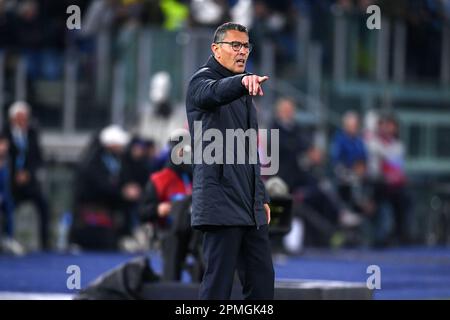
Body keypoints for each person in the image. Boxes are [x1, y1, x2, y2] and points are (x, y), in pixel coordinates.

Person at [185, 22, 274, 300]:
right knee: (217, 286)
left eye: (246, 46)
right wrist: (241, 82)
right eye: (235, 45)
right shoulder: (201, 82)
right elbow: (214, 92)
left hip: (249, 205)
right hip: (220, 203)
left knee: (262, 282)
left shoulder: (244, 88)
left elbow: (249, 154)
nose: (242, 51)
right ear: (216, 49)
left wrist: (261, 196)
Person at [138, 129, 202, 282]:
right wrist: (158, 209)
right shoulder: (159, 180)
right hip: (170, 231)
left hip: (197, 232)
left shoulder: (199, 177)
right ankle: (170, 287)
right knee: (172, 244)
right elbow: (142, 212)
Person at [3, 101, 50, 250]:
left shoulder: (32, 133)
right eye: (19, 117)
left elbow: (38, 157)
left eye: (25, 117)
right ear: (12, 118)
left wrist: (28, 173)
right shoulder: (4, 133)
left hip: (28, 181)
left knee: (43, 204)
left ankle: (45, 243)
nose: (23, 121)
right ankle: (7, 239)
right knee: (7, 206)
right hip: (9, 181)